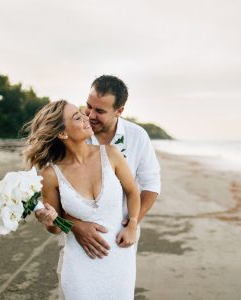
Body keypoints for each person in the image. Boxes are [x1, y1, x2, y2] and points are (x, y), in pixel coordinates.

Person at [24, 100, 140, 299]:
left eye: (81, 114)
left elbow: (133, 191)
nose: (87, 117)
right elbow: (56, 226)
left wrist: (132, 225)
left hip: (120, 261)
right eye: (77, 117)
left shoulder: (111, 154)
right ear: (62, 133)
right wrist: (50, 221)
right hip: (79, 267)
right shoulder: (51, 175)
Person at [63, 75, 161, 259]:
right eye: (88, 106)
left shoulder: (137, 136)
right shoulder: (72, 133)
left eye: (100, 111)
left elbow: (151, 185)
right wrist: (75, 226)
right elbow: (52, 198)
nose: (90, 115)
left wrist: (132, 224)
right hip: (76, 239)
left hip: (121, 238)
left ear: (119, 111)